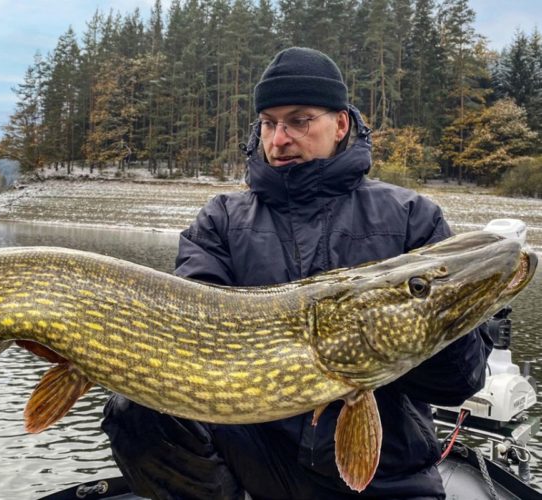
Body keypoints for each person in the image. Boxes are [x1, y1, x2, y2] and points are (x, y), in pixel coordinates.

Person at [102, 47, 492, 500]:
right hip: (260, 462)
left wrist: (433, 318)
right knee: (137, 409)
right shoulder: (222, 221)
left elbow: (460, 383)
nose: (280, 138)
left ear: (340, 123)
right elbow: (192, 332)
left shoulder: (411, 217)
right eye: (269, 123)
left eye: (299, 120)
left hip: (390, 473)